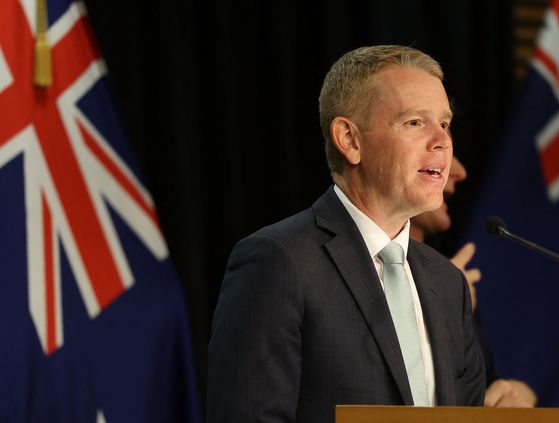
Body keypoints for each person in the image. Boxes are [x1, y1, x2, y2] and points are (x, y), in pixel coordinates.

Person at [207, 45, 485, 423]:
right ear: (350, 140)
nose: (442, 141)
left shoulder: (447, 284)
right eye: (415, 122)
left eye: (445, 123)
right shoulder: (279, 262)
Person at [410, 156, 538, 408]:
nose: (459, 171)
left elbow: (483, 388)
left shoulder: (452, 274)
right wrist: (431, 312)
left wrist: (512, 394)